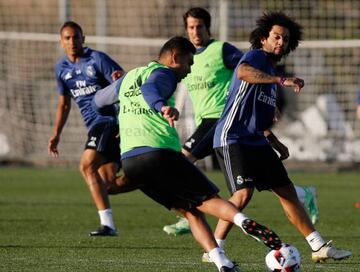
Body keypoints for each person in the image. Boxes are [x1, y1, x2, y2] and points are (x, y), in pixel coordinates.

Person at [93, 36, 283, 272]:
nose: (189, 70)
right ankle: (243, 221)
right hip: (160, 153)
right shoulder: (165, 73)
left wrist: (120, 114)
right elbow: (151, 88)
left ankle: (223, 263)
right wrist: (161, 106)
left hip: (131, 161)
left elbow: (97, 101)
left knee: (191, 211)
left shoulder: (127, 78)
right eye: (188, 63)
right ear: (175, 58)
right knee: (208, 199)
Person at [162, 7, 319, 238]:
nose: (195, 31)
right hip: (223, 123)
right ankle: (302, 195)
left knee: (186, 162)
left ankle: (193, 212)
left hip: (220, 119)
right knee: (248, 189)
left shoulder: (223, 50)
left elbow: (244, 70)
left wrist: (270, 86)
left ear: (208, 27)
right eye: (191, 27)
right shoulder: (190, 57)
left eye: (199, 26)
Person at [212, 11, 351, 263]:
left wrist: (273, 140)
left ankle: (317, 246)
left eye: (285, 39)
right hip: (232, 137)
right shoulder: (257, 56)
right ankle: (213, 249)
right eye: (276, 36)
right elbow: (242, 72)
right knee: (243, 194)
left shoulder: (270, 73)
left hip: (256, 140)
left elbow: (258, 115)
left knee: (287, 191)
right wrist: (280, 80)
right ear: (264, 38)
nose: (280, 42)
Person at [48, 21, 125, 236]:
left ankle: (108, 225)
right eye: (67, 38)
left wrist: (125, 120)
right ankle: (148, 179)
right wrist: (56, 134)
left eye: (76, 37)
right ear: (61, 42)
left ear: (84, 38)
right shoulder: (61, 69)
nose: (72, 42)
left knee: (86, 165)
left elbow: (125, 86)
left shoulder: (97, 59)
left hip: (108, 122)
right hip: (94, 127)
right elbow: (64, 103)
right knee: (107, 185)